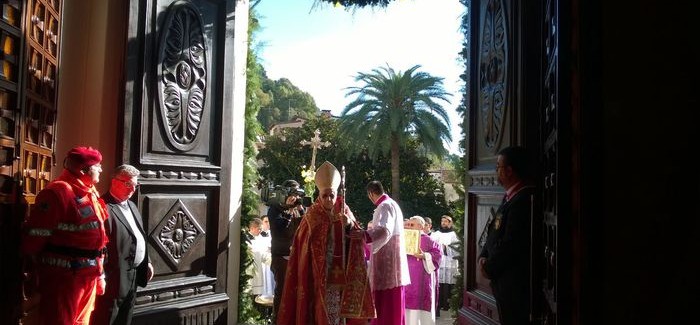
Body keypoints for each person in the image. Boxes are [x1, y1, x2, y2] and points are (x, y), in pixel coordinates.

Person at [21, 146, 109, 324]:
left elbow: (98, 240)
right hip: (64, 280)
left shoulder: (90, 191)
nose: (101, 169)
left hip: (88, 276)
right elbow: (36, 235)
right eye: (97, 166)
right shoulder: (57, 193)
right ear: (83, 170)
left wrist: (100, 275)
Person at [278, 161, 374, 325]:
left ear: (337, 193)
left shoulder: (344, 209)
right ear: (319, 194)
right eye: (325, 195)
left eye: (332, 195)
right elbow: (303, 246)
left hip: (343, 272)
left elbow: (359, 236)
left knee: (341, 313)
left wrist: (349, 225)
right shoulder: (312, 216)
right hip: (320, 276)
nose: (329, 199)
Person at [478, 146, 536, 325]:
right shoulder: (509, 198)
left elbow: (512, 243)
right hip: (502, 283)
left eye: (498, 167)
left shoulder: (523, 200)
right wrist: (483, 256)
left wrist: (489, 267)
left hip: (514, 284)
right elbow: (494, 230)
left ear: (509, 170)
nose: (496, 171)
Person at [92, 164, 153, 325]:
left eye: (135, 185)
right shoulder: (103, 206)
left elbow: (139, 236)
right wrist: (102, 275)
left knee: (125, 319)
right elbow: (99, 245)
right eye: (128, 184)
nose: (133, 189)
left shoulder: (132, 205)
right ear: (114, 181)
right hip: (114, 278)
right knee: (107, 318)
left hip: (133, 274)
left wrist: (148, 261)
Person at [349, 180, 410, 325]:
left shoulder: (385, 206)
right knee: (392, 305)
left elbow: (384, 230)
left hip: (387, 264)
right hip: (393, 262)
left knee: (386, 306)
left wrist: (364, 235)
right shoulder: (391, 204)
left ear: (370, 194)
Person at [267, 179, 305, 322]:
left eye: (297, 194)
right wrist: (289, 210)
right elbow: (279, 230)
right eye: (292, 194)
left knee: (296, 292)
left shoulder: (297, 209)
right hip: (280, 257)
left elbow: (305, 226)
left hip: (295, 256)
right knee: (282, 292)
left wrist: (300, 209)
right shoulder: (274, 209)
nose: (295, 198)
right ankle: (277, 320)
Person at [405, 216, 442, 325]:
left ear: (420, 226)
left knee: (418, 310)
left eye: (412, 225)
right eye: (408, 225)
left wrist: (424, 255)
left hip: (420, 281)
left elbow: (438, 255)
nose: (409, 227)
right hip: (406, 278)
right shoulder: (403, 238)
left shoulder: (428, 240)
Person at [430, 215, 460, 314]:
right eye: (442, 221)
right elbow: (431, 245)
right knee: (440, 283)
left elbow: (457, 248)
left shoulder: (454, 234)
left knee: (449, 283)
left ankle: (448, 304)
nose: (443, 223)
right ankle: (439, 304)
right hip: (440, 262)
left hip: (450, 262)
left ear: (450, 223)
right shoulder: (436, 234)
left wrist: (445, 248)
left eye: (446, 221)